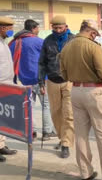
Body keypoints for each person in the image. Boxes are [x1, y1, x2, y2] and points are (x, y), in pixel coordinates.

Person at [60, 20, 102, 180]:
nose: (95, 36)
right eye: (95, 34)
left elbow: (64, 75)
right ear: (91, 32)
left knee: (81, 135)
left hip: (75, 91)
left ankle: (86, 173)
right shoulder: (93, 47)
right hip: (94, 93)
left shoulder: (67, 47)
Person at [9, 19, 56, 141]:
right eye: (37, 28)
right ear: (33, 28)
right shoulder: (39, 41)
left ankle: (32, 132)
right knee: (46, 105)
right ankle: (47, 132)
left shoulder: (14, 42)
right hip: (40, 80)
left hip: (24, 80)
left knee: (29, 106)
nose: (38, 30)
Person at [38, 15, 74, 158]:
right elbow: (41, 63)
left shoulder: (73, 40)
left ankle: (66, 143)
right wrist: (41, 82)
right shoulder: (48, 41)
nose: (58, 30)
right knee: (55, 113)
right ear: (52, 27)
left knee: (69, 114)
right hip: (52, 81)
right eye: (55, 28)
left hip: (69, 81)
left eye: (60, 27)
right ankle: (62, 137)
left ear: (66, 26)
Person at [0, 16, 18, 162]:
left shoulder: (4, 42)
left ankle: (1, 145)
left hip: (6, 85)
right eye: (10, 28)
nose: (12, 31)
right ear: (2, 28)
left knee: (3, 118)